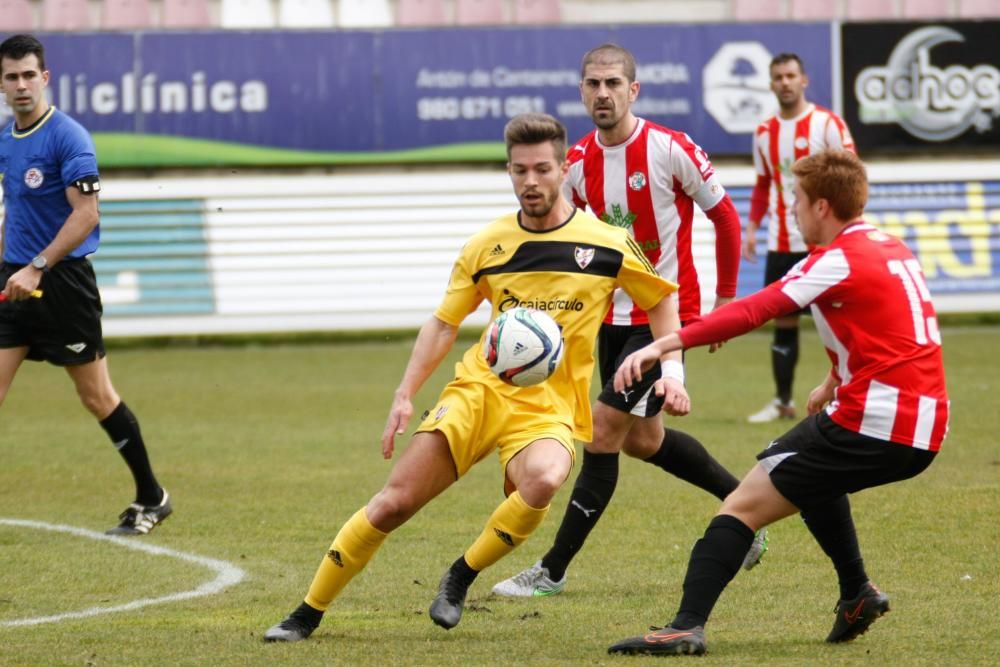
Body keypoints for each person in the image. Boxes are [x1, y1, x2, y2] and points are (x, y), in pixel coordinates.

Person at [263, 112, 686, 642]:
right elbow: (444, 324)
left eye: (542, 169)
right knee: (393, 503)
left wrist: (671, 368)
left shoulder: (607, 244)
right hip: (478, 394)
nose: (530, 182)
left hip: (549, 410)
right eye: (518, 171)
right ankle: (306, 613)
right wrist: (403, 394)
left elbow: (663, 300)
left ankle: (460, 575)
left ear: (564, 169)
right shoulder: (487, 245)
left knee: (547, 477)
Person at [608, 150, 948, 656]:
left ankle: (685, 626)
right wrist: (833, 380)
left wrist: (664, 343)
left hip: (876, 420)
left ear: (823, 207)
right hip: (926, 426)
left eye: (797, 199)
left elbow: (756, 308)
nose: (792, 209)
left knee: (742, 506)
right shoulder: (890, 246)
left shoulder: (834, 259)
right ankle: (856, 592)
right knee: (801, 465)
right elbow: (887, 328)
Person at [493, 43, 765, 599]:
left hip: (663, 318)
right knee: (644, 440)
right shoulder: (579, 163)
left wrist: (727, 302)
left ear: (633, 90)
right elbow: (562, 234)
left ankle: (553, 569)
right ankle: (748, 511)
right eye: (593, 83)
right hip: (608, 321)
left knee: (601, 433)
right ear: (581, 91)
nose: (602, 93)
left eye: (613, 83)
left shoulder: (671, 149)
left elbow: (727, 218)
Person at [0, 34, 171, 536]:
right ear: (2, 84)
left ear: (45, 78)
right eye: (12, 76)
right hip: (15, 279)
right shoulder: (6, 139)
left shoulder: (69, 137)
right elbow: (15, 211)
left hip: (63, 284)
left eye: (30, 74)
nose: (21, 84)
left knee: (97, 397)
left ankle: (152, 496)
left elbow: (86, 214)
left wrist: (36, 265)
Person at [743, 53, 856, 424]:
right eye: (778, 77)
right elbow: (763, 185)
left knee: (840, 322)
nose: (785, 82)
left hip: (824, 243)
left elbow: (852, 174)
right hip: (781, 241)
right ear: (771, 83)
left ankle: (848, 393)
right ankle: (782, 401)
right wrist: (752, 228)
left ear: (804, 80)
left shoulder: (827, 124)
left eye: (791, 75)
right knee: (784, 323)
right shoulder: (763, 133)